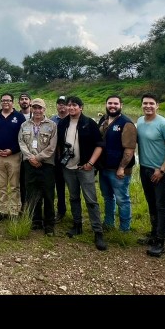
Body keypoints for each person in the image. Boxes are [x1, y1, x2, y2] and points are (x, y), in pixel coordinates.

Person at [56, 95, 107, 251]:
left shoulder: (89, 123)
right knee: (73, 197)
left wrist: (91, 163)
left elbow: (99, 145)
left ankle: (98, 232)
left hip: (85, 168)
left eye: (75, 105)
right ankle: (77, 225)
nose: (71, 108)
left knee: (91, 200)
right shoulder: (62, 123)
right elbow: (58, 144)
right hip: (68, 168)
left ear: (81, 107)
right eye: (69, 105)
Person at [135, 93, 165, 257]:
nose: (148, 106)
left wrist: (162, 169)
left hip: (160, 171)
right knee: (151, 203)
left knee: (161, 205)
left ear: (157, 105)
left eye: (151, 103)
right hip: (144, 168)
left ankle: (160, 240)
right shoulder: (139, 121)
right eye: (145, 103)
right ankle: (153, 234)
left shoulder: (164, 124)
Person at [97, 95, 137, 232]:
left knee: (122, 200)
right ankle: (108, 223)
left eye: (115, 103)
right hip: (104, 167)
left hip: (119, 170)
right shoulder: (104, 120)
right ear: (106, 104)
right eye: (110, 103)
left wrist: (121, 168)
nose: (112, 106)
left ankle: (125, 228)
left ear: (121, 105)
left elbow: (130, 149)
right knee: (107, 197)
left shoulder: (127, 124)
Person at [19, 98, 57, 236]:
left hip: (46, 165)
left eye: (39, 108)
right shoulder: (24, 125)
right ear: (31, 108)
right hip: (29, 164)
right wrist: (31, 158)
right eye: (34, 108)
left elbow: (52, 146)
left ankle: (49, 224)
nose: (37, 110)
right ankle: (36, 220)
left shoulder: (52, 125)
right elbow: (21, 142)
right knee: (32, 193)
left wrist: (38, 158)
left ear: (44, 109)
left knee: (48, 194)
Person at [0, 93, 25, 220]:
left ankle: (15, 211)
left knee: (14, 186)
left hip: (13, 156)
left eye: (8, 100)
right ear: (0, 102)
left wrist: (12, 150)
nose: (6, 102)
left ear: (12, 102)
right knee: (1, 185)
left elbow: (22, 137)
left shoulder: (19, 117)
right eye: (3, 100)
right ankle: (2, 210)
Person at [50, 95, 69, 223]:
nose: (62, 106)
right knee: (58, 186)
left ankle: (77, 213)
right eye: (59, 103)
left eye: (64, 103)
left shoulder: (72, 119)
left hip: (71, 159)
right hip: (56, 159)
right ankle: (60, 210)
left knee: (74, 187)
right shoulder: (52, 120)